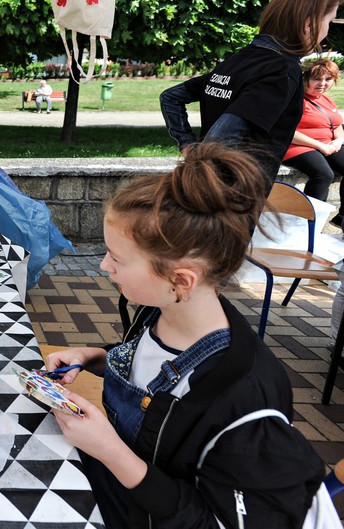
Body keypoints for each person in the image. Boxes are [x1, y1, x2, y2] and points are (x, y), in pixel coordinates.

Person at [45, 143, 325, 528]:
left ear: (180, 280)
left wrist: (112, 452)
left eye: (117, 257)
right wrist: (96, 358)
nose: (103, 265)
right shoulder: (160, 311)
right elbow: (150, 363)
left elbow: (211, 521)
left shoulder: (242, 399)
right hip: (96, 484)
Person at [160, 0, 342, 191]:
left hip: (215, 190)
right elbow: (220, 138)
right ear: (308, 25)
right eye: (328, 22)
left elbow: (170, 97)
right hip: (235, 196)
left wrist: (188, 145)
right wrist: (194, 153)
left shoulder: (238, 59)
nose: (326, 33)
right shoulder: (283, 69)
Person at [283, 58, 344, 228]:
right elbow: (288, 131)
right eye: (317, 79)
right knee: (324, 174)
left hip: (327, 144)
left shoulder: (326, 100)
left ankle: (342, 217)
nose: (322, 83)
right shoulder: (296, 100)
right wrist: (321, 146)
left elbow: (337, 125)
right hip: (297, 145)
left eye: (328, 79)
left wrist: (339, 141)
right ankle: (307, 223)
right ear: (306, 79)